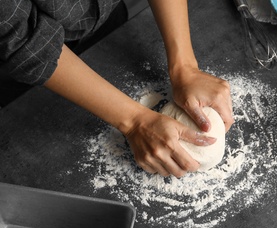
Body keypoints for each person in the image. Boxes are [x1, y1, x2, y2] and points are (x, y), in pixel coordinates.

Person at [0, 0, 234, 178]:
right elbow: (20, 37)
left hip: (99, 17)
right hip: (25, 74)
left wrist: (185, 67)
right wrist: (135, 122)